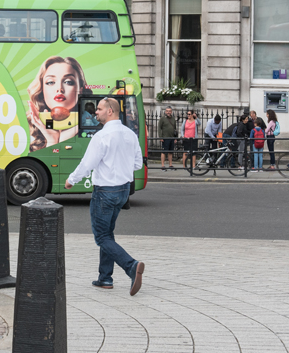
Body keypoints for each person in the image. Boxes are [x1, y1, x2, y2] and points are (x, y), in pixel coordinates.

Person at [65, 98, 145, 296]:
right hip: (123, 190)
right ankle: (105, 278)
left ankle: (131, 266)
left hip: (105, 191)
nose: (95, 113)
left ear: (110, 111)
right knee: (108, 234)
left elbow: (87, 163)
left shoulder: (101, 136)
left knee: (101, 236)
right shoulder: (130, 134)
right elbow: (138, 164)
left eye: (99, 109)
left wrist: (71, 180)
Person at [26, 56, 90, 151]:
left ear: (80, 90)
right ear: (42, 90)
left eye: (68, 82)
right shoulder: (28, 131)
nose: (59, 88)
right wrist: (52, 141)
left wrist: (64, 141)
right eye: (51, 82)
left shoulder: (94, 128)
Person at [157, 106, 177, 171]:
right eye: (167, 111)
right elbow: (159, 128)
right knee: (164, 151)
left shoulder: (173, 119)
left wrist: (175, 138)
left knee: (170, 152)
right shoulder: (162, 119)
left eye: (169, 111)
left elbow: (175, 129)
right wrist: (160, 137)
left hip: (171, 137)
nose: (168, 112)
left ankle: (170, 165)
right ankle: (162, 165)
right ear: (165, 112)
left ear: (171, 112)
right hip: (165, 137)